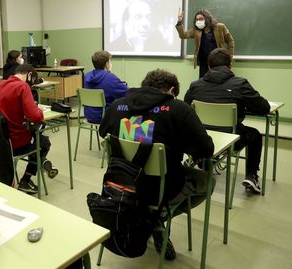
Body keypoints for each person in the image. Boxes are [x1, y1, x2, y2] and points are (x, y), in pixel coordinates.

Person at [99, 69, 214, 260]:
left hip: (121, 185)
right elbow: (206, 149)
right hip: (161, 188)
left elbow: (104, 132)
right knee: (207, 181)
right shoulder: (179, 109)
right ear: (171, 90)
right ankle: (158, 218)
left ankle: (151, 217)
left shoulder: (117, 105)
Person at [184, 48, 270, 194]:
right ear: (230, 66)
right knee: (254, 135)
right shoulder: (240, 84)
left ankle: (200, 160)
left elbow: (185, 108)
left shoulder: (195, 85)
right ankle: (251, 176)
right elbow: (264, 108)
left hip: (202, 139)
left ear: (209, 66)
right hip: (230, 140)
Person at [0, 64, 58, 194]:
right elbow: (35, 116)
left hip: (0, 141)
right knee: (44, 143)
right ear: (28, 74)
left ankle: (40, 161)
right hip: (17, 142)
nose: (31, 85)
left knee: (37, 140)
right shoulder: (22, 87)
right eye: (32, 81)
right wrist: (38, 109)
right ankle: (26, 180)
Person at [176, 8, 235, 78]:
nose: (198, 21)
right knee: (204, 83)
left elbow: (230, 41)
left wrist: (229, 58)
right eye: (197, 19)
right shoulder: (196, 30)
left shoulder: (220, 27)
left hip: (218, 61)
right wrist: (179, 22)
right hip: (204, 62)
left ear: (207, 19)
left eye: (201, 19)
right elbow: (183, 35)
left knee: (219, 81)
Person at [84, 50, 128, 123]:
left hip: (89, 115)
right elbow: (127, 93)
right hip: (105, 117)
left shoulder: (86, 76)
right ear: (107, 64)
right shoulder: (110, 78)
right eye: (110, 61)